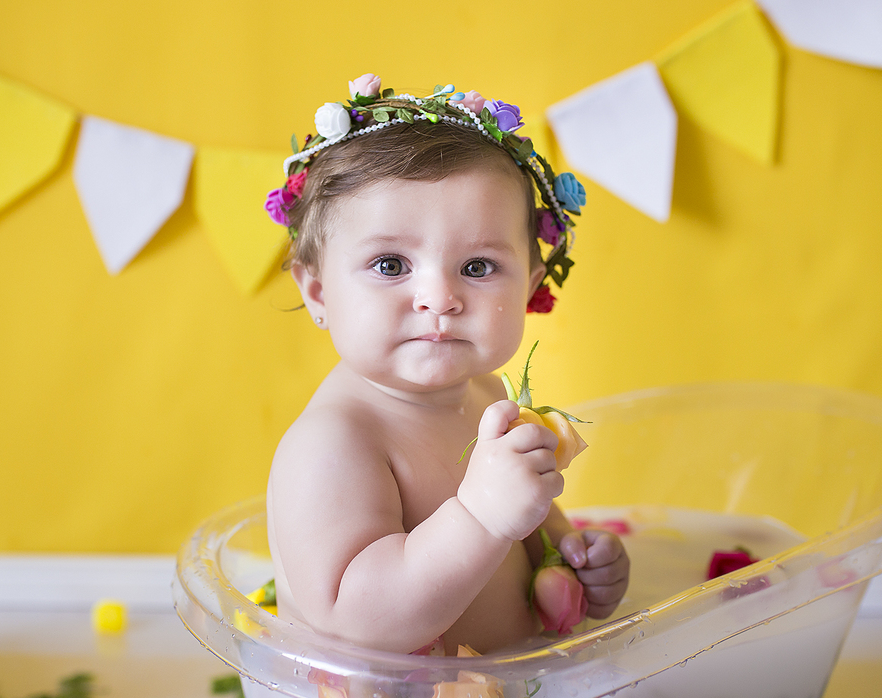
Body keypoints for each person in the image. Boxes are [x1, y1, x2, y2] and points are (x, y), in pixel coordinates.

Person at [263, 75, 630, 656]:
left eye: (478, 267)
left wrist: (572, 555)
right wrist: (481, 516)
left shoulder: (485, 393)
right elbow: (356, 621)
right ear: (318, 292)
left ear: (531, 285)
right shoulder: (333, 444)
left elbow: (523, 512)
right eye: (389, 264)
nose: (439, 297)